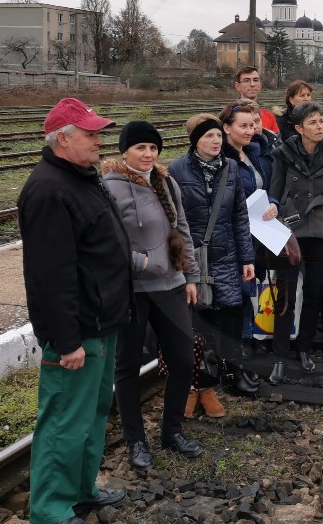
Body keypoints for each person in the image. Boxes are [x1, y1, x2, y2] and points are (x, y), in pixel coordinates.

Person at [18, 98, 128, 524]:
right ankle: (50, 509)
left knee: (92, 414)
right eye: (91, 134)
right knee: (64, 420)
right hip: (78, 329)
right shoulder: (49, 190)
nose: (100, 141)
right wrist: (66, 340)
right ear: (63, 139)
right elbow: (51, 275)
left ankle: (81, 490)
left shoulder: (82, 177)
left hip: (101, 321)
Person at [102, 121, 203, 469]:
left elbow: (183, 230)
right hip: (133, 291)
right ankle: (136, 442)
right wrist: (139, 262)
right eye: (140, 147)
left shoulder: (166, 182)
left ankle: (171, 431)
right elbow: (105, 242)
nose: (148, 154)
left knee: (184, 359)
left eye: (153, 148)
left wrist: (191, 275)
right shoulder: (109, 188)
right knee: (127, 366)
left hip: (171, 286)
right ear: (124, 151)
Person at [170, 115, 259, 419]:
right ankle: (197, 388)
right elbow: (174, 222)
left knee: (231, 319)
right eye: (208, 136)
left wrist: (247, 258)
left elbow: (240, 217)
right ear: (195, 140)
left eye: (218, 135)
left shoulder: (230, 168)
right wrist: (181, 265)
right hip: (194, 259)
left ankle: (229, 375)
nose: (216, 141)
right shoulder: (177, 170)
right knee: (198, 325)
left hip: (228, 257)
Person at [268, 101, 323, 384]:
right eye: (313, 123)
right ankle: (280, 355)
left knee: (314, 295)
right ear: (299, 128)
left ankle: (305, 347)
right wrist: (273, 209)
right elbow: (274, 193)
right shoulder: (283, 154)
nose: (320, 127)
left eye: (321, 121)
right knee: (285, 297)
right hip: (290, 233)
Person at [234, 66, 280, 134]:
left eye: (255, 80)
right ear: (238, 86)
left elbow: (277, 143)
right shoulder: (230, 115)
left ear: (260, 85)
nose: (252, 84)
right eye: (246, 80)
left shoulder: (269, 117)